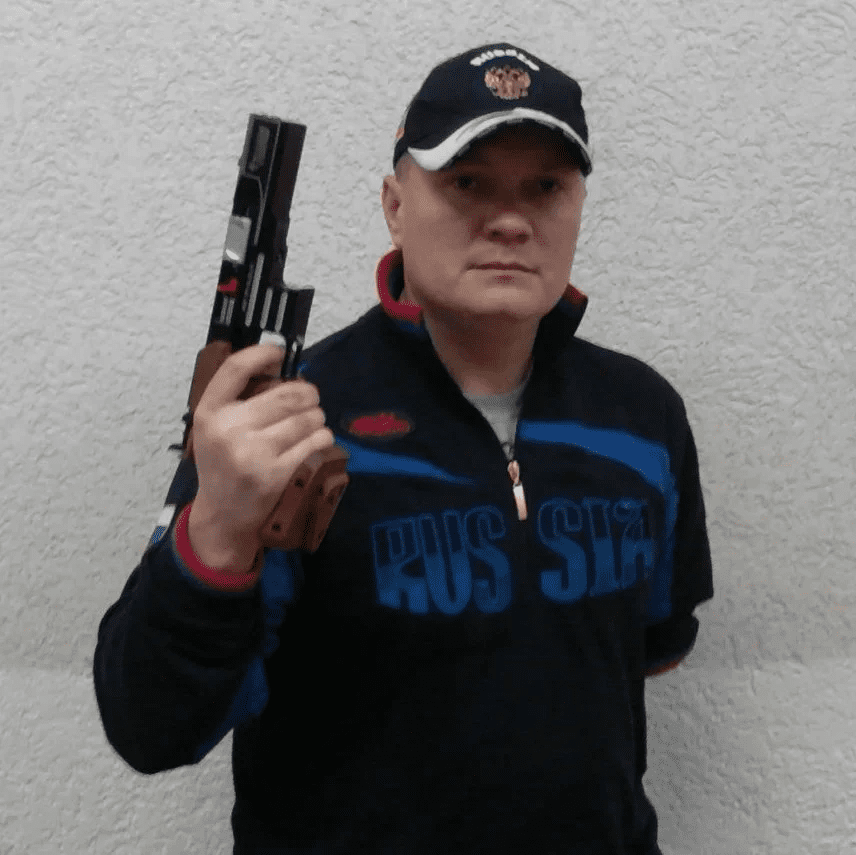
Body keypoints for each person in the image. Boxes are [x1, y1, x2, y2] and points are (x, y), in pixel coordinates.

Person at [94, 42, 713, 855]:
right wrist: (214, 528)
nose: (511, 219)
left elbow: (654, 646)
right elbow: (150, 725)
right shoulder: (286, 425)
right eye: (468, 183)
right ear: (394, 205)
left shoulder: (642, 415)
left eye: (546, 187)